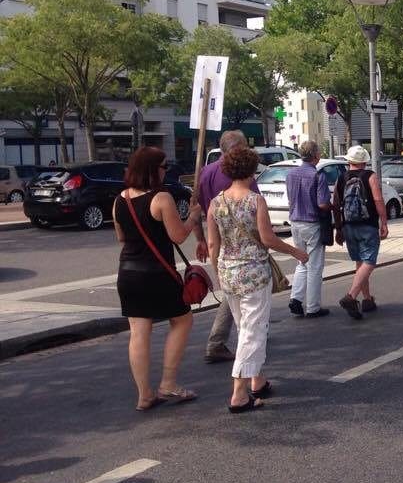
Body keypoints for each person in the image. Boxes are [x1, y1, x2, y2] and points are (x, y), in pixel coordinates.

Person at [207, 147, 309, 413]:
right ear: (251, 171)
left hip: (228, 273)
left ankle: (258, 380)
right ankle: (239, 394)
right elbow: (268, 239)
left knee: (245, 329)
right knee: (253, 332)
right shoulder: (255, 201)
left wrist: (218, 271)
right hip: (253, 274)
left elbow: (211, 243)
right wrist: (295, 251)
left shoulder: (216, 203)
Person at [112, 146, 204, 411]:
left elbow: (121, 237)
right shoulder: (161, 198)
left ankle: (144, 394)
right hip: (156, 273)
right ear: (153, 169)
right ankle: (168, 381)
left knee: (139, 333)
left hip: (128, 272)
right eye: (164, 166)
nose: (167, 171)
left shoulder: (120, 199)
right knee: (182, 319)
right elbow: (178, 236)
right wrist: (192, 218)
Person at [193, 130, 259, 364]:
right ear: (237, 148)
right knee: (243, 292)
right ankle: (230, 339)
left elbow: (198, 211)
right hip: (240, 244)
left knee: (232, 291)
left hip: (217, 240)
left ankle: (231, 337)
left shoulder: (206, 173)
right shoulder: (240, 173)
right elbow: (255, 211)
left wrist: (201, 239)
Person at [333, 146, 389, 319]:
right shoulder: (369, 176)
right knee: (370, 261)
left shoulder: (341, 178)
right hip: (368, 224)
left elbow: (335, 204)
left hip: (349, 225)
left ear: (349, 160)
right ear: (364, 161)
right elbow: (378, 199)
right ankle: (351, 296)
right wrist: (384, 222)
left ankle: (367, 300)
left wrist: (339, 227)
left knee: (360, 262)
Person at [285, 140, 332, 318]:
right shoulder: (317, 176)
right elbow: (322, 203)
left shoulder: (291, 175)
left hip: (295, 222)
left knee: (302, 261)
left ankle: (295, 299)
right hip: (312, 223)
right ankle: (313, 307)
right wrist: (332, 207)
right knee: (315, 266)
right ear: (315, 156)